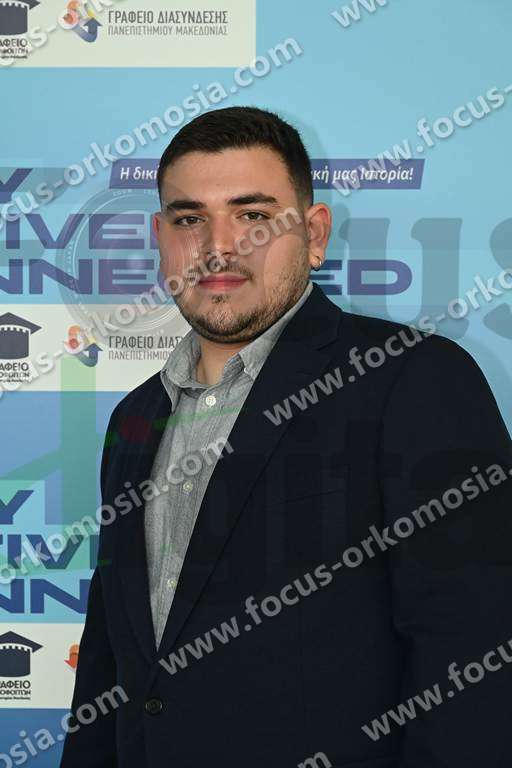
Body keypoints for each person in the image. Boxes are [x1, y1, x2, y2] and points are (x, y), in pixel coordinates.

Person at [60, 106, 512, 768]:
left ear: (315, 233)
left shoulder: (411, 379)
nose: (218, 247)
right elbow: (110, 660)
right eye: (190, 219)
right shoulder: (134, 419)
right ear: (160, 238)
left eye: (253, 216)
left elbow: (474, 654)